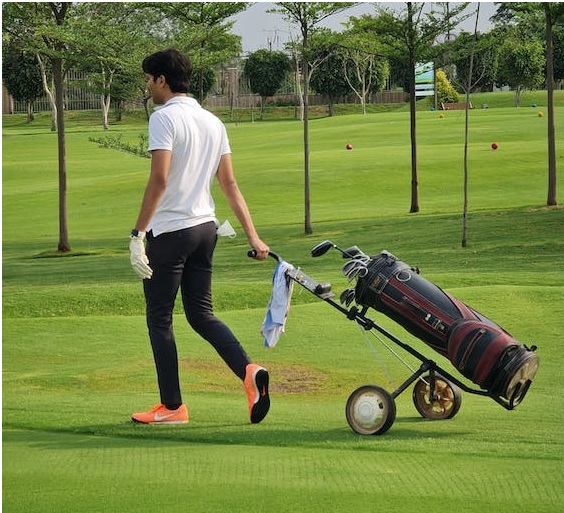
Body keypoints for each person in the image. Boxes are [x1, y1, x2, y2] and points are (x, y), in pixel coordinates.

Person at [129, 48, 271, 425]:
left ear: (162, 80)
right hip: (205, 229)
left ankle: (172, 407)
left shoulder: (163, 118)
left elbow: (159, 180)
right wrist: (253, 237)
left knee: (160, 318)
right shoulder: (213, 121)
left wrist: (137, 233)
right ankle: (249, 371)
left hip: (171, 232)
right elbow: (230, 184)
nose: (148, 87)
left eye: (149, 79)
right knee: (201, 314)